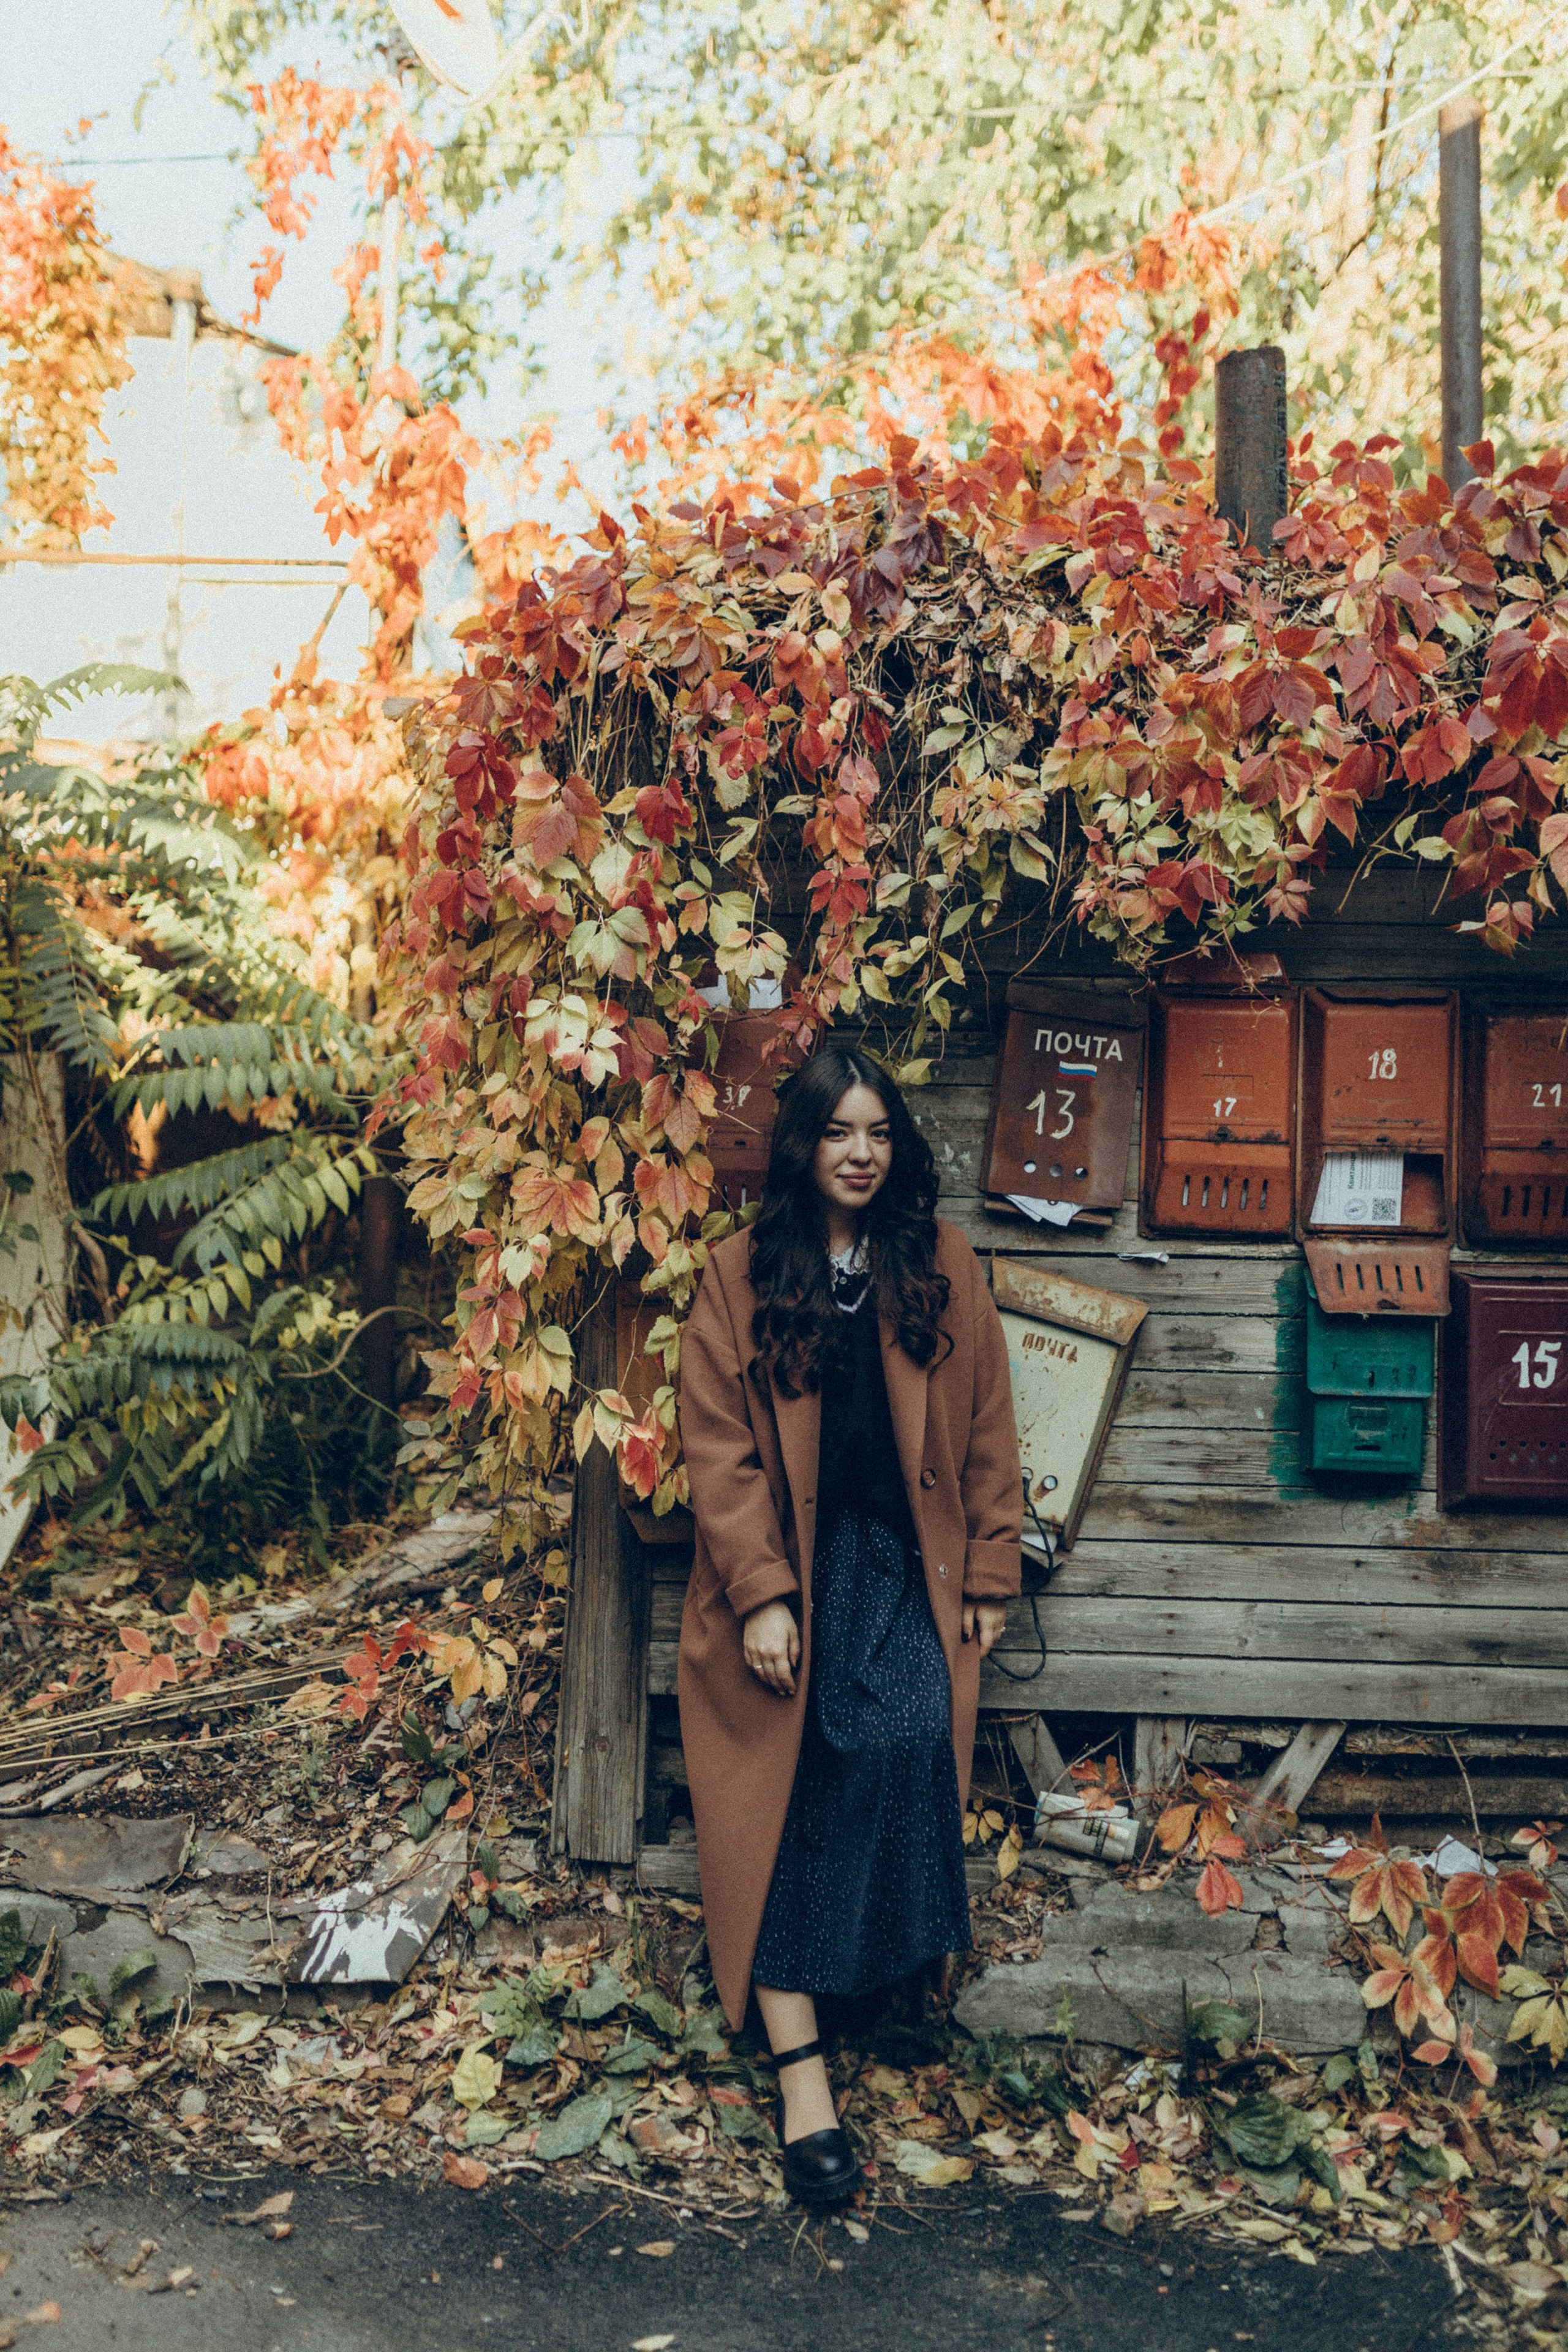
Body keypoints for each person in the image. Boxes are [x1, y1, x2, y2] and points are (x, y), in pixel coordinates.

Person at [676, 1044, 1023, 2207]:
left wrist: (988, 1570)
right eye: (838, 1133)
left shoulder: (939, 1262)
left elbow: (989, 1423)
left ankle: (869, 1993)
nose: (861, 1154)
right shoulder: (739, 1274)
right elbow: (719, 1449)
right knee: (807, 1775)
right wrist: (763, 1593)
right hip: (790, 1578)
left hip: (901, 1569)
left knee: (907, 1739)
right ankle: (802, 2076)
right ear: (804, 1145)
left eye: (878, 1133)